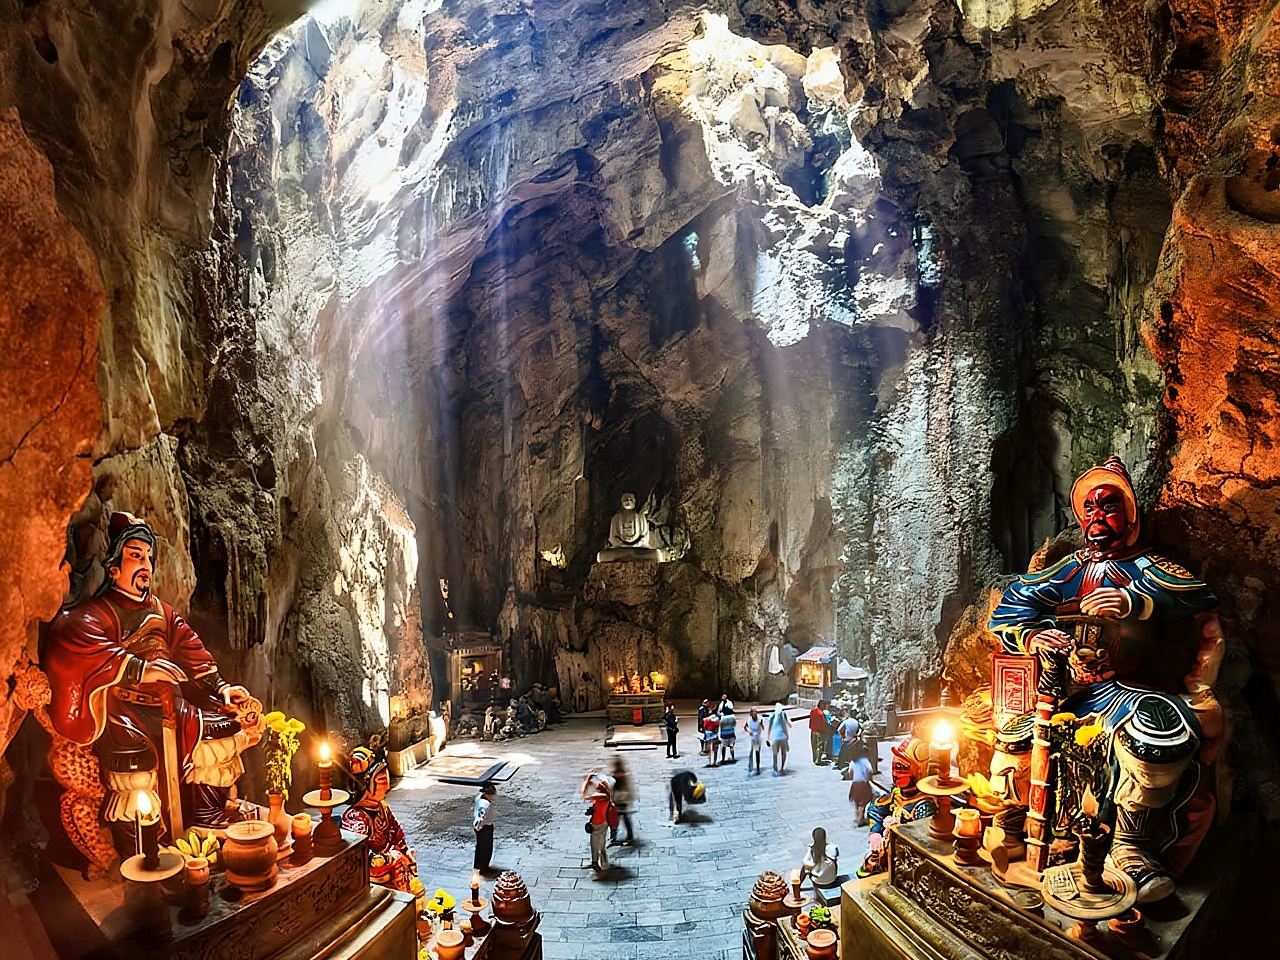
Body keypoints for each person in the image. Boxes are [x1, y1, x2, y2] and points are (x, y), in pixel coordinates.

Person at [42, 512, 264, 852]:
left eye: (148, 557)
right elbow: (73, 638)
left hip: (173, 709)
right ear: (114, 566)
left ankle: (205, 815)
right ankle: (142, 846)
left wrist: (221, 688)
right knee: (136, 773)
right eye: (135, 555)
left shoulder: (163, 612)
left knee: (223, 726)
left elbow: (192, 652)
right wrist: (138, 669)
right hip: (126, 713)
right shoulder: (100, 612)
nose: (145, 564)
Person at [342, 746, 417, 891]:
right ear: (365, 785)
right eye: (382, 780)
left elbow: (396, 832)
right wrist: (389, 857)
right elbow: (358, 856)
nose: (386, 786)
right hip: (375, 878)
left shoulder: (382, 807)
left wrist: (405, 851)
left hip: (394, 868)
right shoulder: (355, 818)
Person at [581, 769, 613, 872]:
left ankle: (595, 863)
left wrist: (587, 779)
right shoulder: (607, 796)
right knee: (602, 845)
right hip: (604, 823)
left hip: (597, 824)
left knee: (594, 845)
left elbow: (584, 795)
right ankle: (604, 864)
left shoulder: (600, 796)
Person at [607, 756, 636, 846]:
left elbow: (628, 789)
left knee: (623, 820)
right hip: (617, 803)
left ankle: (628, 836)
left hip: (622, 802)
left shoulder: (624, 777)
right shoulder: (614, 777)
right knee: (615, 821)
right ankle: (613, 837)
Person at [472, 782, 497, 872]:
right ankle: (483, 867)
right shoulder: (485, 805)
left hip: (481, 827)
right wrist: (478, 827)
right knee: (485, 848)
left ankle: (478, 865)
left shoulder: (479, 797)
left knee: (480, 847)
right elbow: (480, 817)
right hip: (484, 827)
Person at [768, 702, 791, 776]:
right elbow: (786, 726)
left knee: (778, 753)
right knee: (780, 753)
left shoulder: (781, 715)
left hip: (779, 737)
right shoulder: (776, 715)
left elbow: (770, 727)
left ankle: (778, 768)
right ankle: (778, 768)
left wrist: (768, 737)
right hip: (781, 737)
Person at [743, 707, 765, 775]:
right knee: (750, 751)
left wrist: (761, 730)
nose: (754, 714)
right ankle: (750, 767)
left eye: (756, 713)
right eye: (753, 713)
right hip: (752, 736)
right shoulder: (748, 719)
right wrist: (749, 731)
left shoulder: (760, 719)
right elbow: (745, 727)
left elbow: (762, 727)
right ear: (751, 713)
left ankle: (758, 767)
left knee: (757, 751)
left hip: (758, 736)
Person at [809, 700, 830, 764]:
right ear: (821, 705)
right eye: (825, 705)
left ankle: (814, 758)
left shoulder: (813, 711)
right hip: (819, 732)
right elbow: (823, 724)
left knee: (813, 746)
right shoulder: (821, 714)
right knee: (819, 746)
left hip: (813, 731)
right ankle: (818, 760)